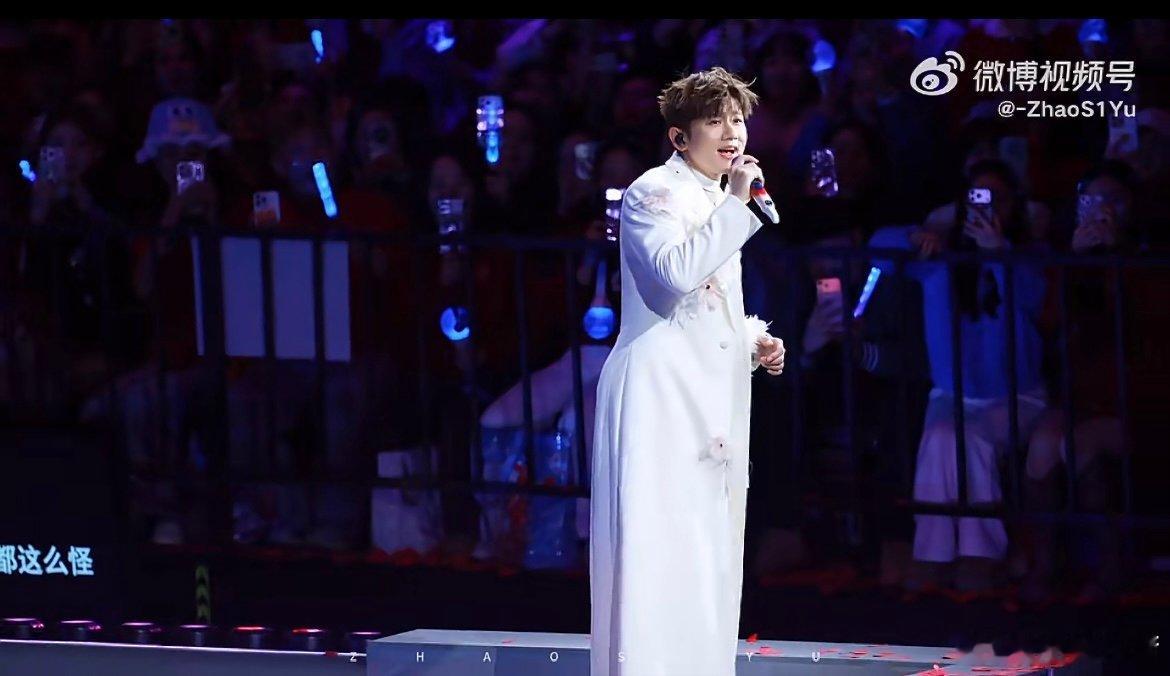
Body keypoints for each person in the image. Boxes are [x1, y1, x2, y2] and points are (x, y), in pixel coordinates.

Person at [590, 66, 785, 676]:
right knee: (658, 551)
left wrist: (752, 338)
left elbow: (710, 298)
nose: (732, 133)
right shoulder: (651, 193)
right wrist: (737, 207)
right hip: (659, 393)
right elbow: (671, 279)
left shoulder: (718, 197)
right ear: (679, 136)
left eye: (737, 120)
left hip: (706, 393)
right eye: (715, 121)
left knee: (707, 551)